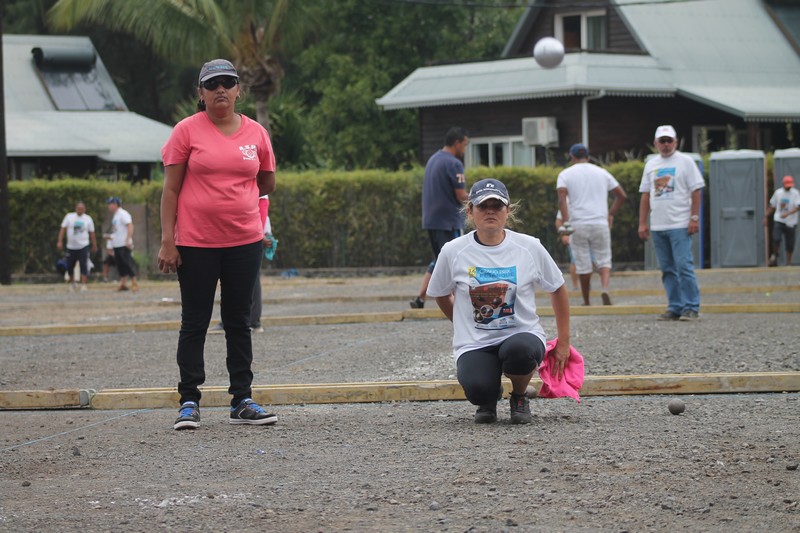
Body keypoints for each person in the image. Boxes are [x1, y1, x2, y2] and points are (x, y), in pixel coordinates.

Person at [158, 58, 278, 430]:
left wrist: (234, 201)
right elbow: (171, 189)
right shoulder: (186, 131)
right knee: (194, 322)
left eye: (228, 82)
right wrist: (167, 241)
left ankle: (242, 399)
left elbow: (267, 182)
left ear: (239, 89)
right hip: (195, 244)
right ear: (201, 93)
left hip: (244, 241)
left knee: (238, 322)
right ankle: (189, 401)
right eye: (212, 85)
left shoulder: (256, 133)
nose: (220, 89)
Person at [427, 178, 571, 424]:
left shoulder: (529, 247)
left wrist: (564, 342)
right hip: (476, 342)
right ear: (470, 211)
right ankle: (488, 399)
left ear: (508, 210)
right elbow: (440, 292)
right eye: (483, 206)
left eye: (497, 206)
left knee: (520, 352)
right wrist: (460, 322)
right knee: (478, 388)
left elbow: (557, 288)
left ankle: (519, 395)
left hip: (522, 334)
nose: (490, 211)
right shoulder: (453, 250)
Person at [638, 125, 705, 321]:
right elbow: (645, 195)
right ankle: (675, 306)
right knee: (667, 269)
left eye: (669, 141)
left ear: (675, 142)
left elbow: (696, 191)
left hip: (680, 224)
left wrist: (694, 217)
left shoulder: (686, 161)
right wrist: (643, 222)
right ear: (655, 143)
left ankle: (692, 306)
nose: (666, 144)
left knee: (684, 266)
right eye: (662, 141)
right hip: (658, 225)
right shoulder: (651, 164)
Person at [557, 143, 626, 306]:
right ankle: (605, 288)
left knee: (582, 263)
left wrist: (566, 222)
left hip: (578, 223)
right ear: (588, 157)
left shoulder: (565, 174)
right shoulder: (602, 172)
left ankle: (586, 300)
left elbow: (561, 199)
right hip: (600, 222)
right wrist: (610, 213)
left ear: (572, 157)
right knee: (604, 258)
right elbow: (621, 196)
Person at [410, 127, 469, 309]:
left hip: (431, 220)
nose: (465, 149)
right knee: (458, 260)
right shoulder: (454, 163)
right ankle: (459, 303)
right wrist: (479, 199)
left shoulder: (433, 159)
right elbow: (460, 195)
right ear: (457, 143)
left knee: (439, 259)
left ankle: (420, 298)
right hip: (449, 221)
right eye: (465, 145)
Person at [209, 194, 273, 334]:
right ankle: (233, 320)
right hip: (240, 232)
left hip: (251, 233)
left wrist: (260, 232)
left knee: (252, 278)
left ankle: (253, 321)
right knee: (233, 278)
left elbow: (262, 202)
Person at [56, 201, 98, 292]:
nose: (80, 210)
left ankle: (83, 284)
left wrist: (94, 244)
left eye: (82, 209)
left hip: (83, 245)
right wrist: (59, 241)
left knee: (84, 265)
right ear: (75, 208)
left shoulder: (88, 219)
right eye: (78, 208)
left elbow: (92, 233)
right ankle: (72, 283)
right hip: (71, 246)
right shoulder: (69, 217)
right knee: (70, 266)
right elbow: (63, 229)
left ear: (85, 209)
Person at [765, 175, 800, 266]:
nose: (788, 187)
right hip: (779, 219)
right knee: (776, 238)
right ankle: (775, 255)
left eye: (790, 185)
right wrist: (766, 217)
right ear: (783, 184)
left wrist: (787, 214)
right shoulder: (778, 193)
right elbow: (772, 206)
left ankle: (789, 262)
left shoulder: (795, 193)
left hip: (791, 222)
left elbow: (798, 207)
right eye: (787, 185)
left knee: (790, 244)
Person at [106, 197, 139, 292]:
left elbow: (130, 225)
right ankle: (123, 283)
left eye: (110, 204)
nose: (109, 206)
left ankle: (134, 282)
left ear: (115, 204)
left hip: (123, 244)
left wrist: (128, 239)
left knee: (127, 263)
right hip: (117, 244)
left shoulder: (123, 214)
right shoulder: (115, 215)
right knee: (120, 265)